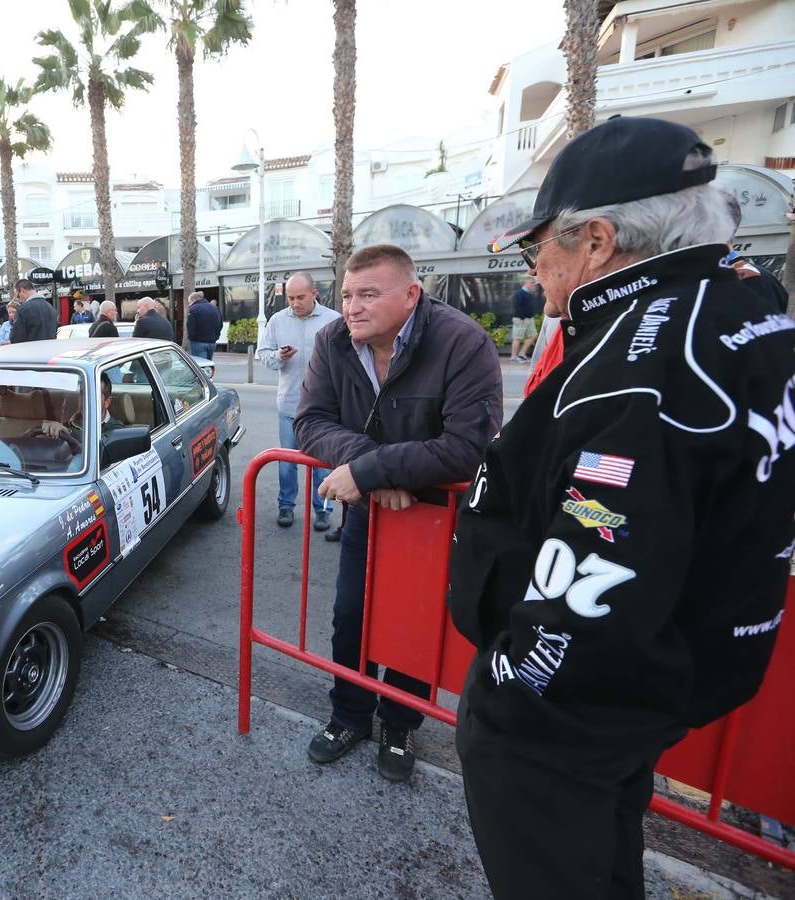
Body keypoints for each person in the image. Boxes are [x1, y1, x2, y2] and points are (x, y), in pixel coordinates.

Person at [454, 117, 795, 899]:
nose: (537, 270)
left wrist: (508, 691)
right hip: (650, 682)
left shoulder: (642, 357)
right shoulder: (746, 308)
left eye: (542, 248)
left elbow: (599, 561)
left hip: (571, 710)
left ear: (598, 242)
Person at [295, 246, 501, 780]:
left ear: (411, 295)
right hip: (371, 510)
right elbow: (310, 421)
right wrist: (373, 470)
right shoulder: (333, 339)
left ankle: (399, 724)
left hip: (436, 516)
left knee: (413, 625)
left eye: (368, 294)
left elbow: (470, 446)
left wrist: (373, 472)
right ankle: (350, 715)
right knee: (351, 617)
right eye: (346, 295)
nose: (353, 307)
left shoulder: (462, 341)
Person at [257, 273, 340, 531]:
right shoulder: (277, 321)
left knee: (323, 465)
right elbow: (264, 355)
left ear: (314, 293)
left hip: (325, 409)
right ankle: (286, 506)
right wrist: (280, 357)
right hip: (290, 405)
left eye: (300, 297)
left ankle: (324, 510)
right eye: (291, 298)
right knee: (287, 462)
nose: (295, 303)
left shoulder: (334, 320)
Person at [9, 278, 56, 343]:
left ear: (22, 290)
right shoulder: (50, 307)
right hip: (50, 350)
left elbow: (15, 338)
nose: (19, 299)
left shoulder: (23, 309)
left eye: (18, 296)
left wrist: (12, 322)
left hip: (32, 351)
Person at [509, 276, 539, 362]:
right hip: (521, 319)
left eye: (533, 283)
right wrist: (521, 317)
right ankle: (513, 357)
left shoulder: (529, 294)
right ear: (525, 283)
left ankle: (521, 354)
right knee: (517, 337)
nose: (533, 285)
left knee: (533, 336)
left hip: (529, 319)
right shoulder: (519, 294)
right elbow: (516, 306)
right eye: (531, 283)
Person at [185, 291, 222, 361]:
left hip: (198, 342)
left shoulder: (193, 309)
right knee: (208, 365)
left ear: (193, 300)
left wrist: (191, 338)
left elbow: (190, 326)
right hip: (212, 342)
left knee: (201, 366)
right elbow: (220, 324)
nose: (189, 305)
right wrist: (216, 337)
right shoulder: (215, 308)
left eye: (189, 302)